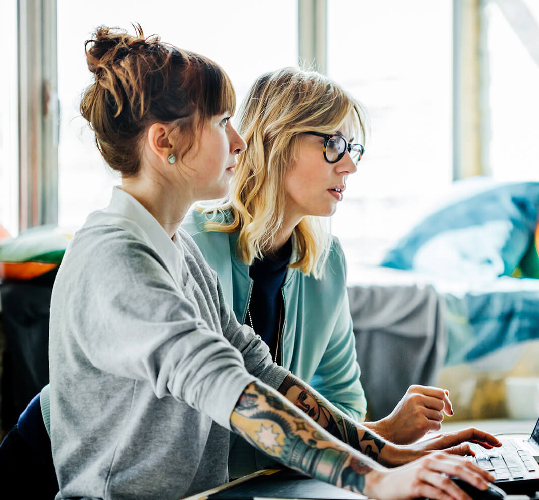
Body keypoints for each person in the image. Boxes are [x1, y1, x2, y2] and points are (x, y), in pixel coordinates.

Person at [35, 25, 498, 500]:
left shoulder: (177, 250)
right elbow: (224, 383)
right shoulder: (117, 256)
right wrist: (375, 480)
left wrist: (390, 454)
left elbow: (261, 371)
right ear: (164, 142)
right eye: (220, 123)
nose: (239, 141)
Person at [182, 67, 459, 476]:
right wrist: (382, 438)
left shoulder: (326, 263)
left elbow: (345, 403)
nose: (349, 166)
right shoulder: (193, 246)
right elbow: (199, 419)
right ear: (275, 140)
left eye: (353, 149)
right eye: (333, 144)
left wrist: (377, 441)